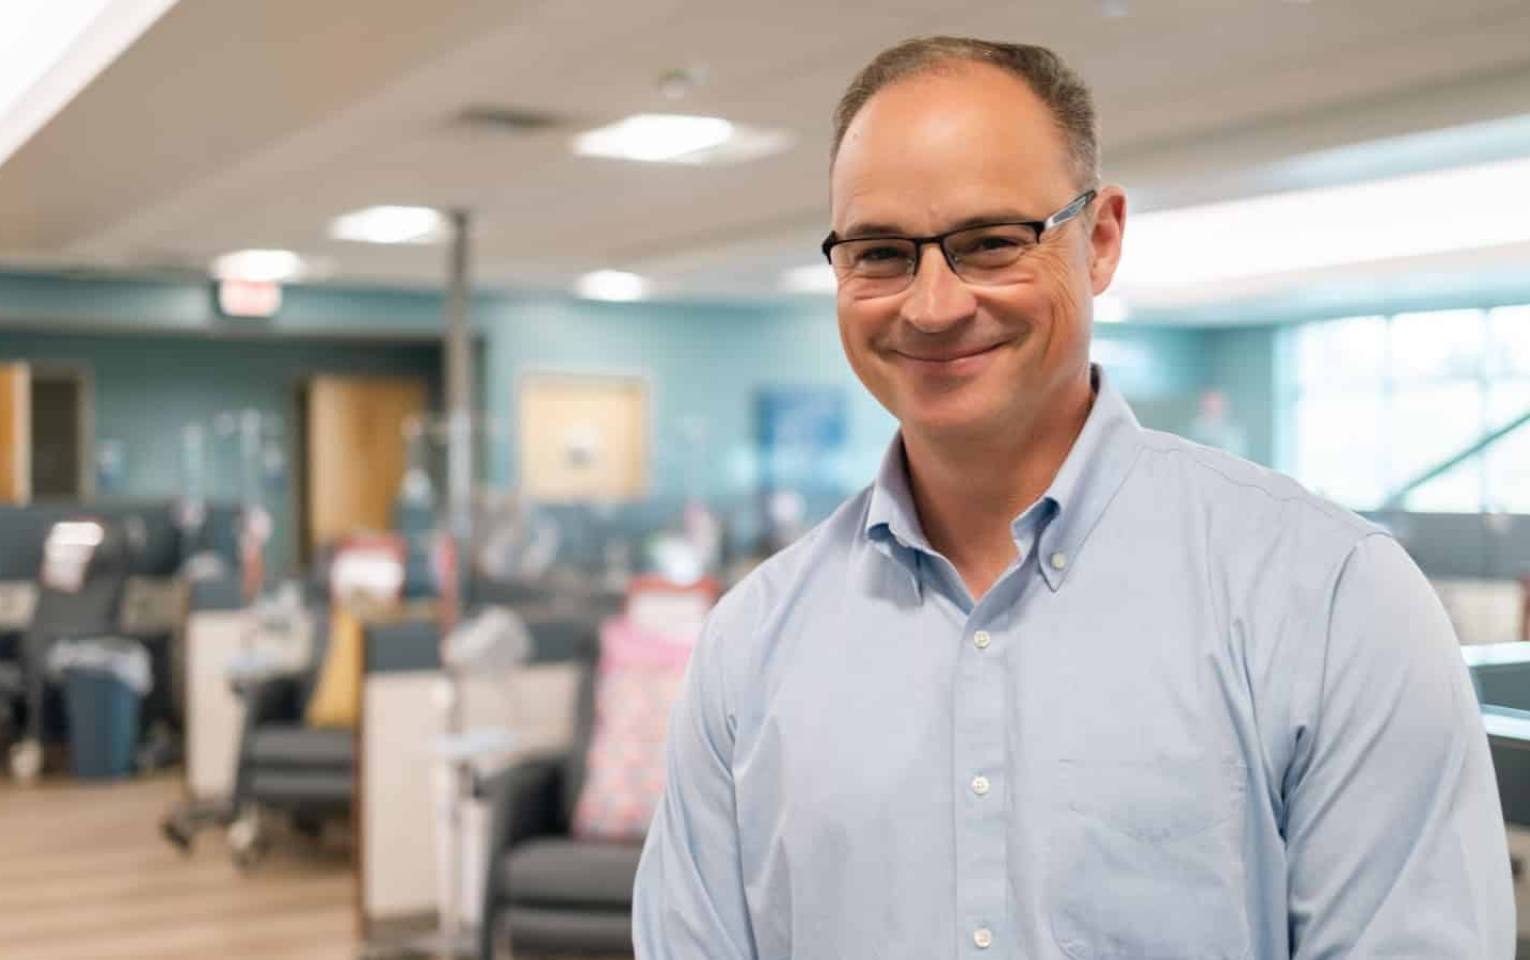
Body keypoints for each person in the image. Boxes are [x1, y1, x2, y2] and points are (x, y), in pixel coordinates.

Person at [633, 36, 1513, 959]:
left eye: (990, 243)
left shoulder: (1328, 600)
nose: (932, 305)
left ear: (1099, 240)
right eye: (882, 252)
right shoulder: (750, 647)